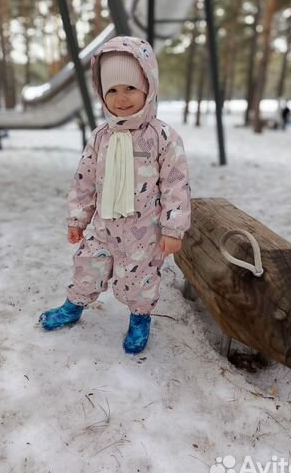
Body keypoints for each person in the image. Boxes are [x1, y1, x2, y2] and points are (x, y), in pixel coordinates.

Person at [39, 36, 191, 354]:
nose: (121, 98)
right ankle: (73, 305)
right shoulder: (100, 137)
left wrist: (174, 228)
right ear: (102, 94)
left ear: (148, 87)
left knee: (140, 280)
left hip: (144, 232)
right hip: (103, 226)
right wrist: (77, 218)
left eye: (130, 88)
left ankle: (139, 318)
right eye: (112, 90)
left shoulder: (163, 137)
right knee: (87, 265)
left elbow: (177, 185)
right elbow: (84, 181)